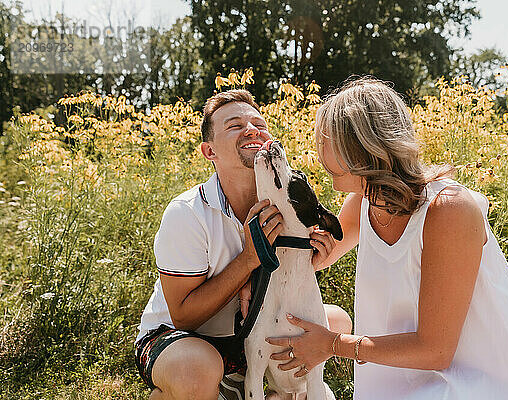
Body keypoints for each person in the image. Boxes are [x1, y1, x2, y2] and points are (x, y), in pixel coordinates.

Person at [266, 77, 508, 399]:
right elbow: (322, 254)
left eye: (328, 138)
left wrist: (332, 344)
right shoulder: (363, 200)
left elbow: (435, 351)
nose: (318, 148)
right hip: (405, 384)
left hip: (478, 384)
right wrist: (312, 250)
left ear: (365, 147)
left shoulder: (448, 210)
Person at [134, 89, 352, 400]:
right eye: (234, 125)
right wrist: (250, 258)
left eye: (259, 124)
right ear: (210, 152)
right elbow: (184, 316)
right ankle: (192, 387)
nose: (251, 129)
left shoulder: (286, 203)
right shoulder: (188, 213)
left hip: (248, 332)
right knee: (196, 371)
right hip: (181, 337)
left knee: (337, 321)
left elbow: (286, 292)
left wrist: (310, 258)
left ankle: (258, 387)